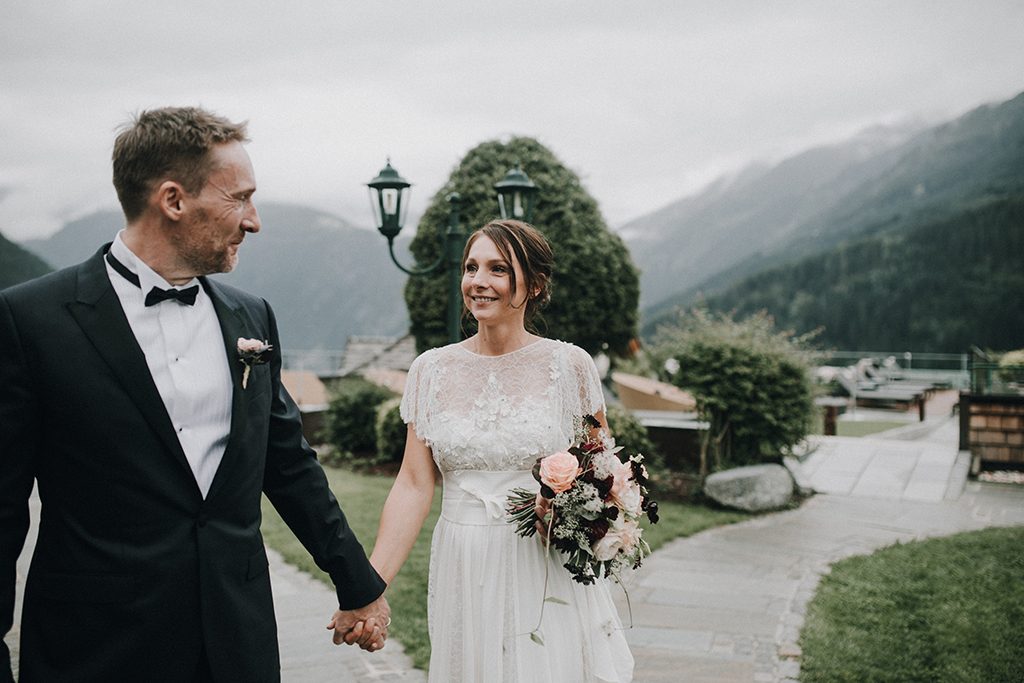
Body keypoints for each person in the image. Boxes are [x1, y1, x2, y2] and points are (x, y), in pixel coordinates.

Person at [0, 107, 390, 682]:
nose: (253, 221)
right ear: (173, 200)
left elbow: (288, 465)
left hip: (237, 638)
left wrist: (357, 583)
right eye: (239, 198)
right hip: (95, 646)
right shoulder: (30, 320)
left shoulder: (250, 316)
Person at [369, 220, 634, 682]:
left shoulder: (569, 365)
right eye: (471, 267)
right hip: (463, 558)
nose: (478, 281)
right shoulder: (430, 371)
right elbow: (413, 484)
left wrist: (582, 515)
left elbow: (602, 470)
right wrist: (370, 585)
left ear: (533, 285)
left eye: (498, 269)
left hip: (542, 558)